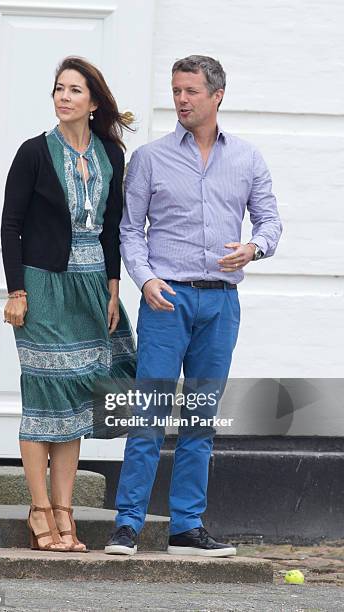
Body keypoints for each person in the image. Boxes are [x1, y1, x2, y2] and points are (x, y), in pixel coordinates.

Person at [105, 55, 282, 557]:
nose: (181, 100)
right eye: (176, 90)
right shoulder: (151, 159)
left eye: (191, 91)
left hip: (221, 304)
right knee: (148, 413)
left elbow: (270, 222)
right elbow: (128, 231)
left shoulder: (247, 159)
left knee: (201, 417)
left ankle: (186, 527)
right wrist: (146, 279)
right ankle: (128, 524)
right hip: (167, 301)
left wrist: (255, 247)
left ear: (216, 95)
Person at [1, 56, 136, 552]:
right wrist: (17, 291)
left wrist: (114, 287)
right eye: (59, 89)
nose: (64, 97)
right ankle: (40, 513)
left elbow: (115, 226)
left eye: (75, 90)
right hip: (42, 286)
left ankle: (65, 513)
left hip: (90, 287)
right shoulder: (34, 152)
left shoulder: (109, 155)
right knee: (43, 397)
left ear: (93, 102)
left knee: (76, 402)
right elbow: (10, 225)